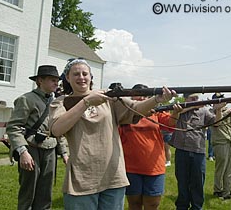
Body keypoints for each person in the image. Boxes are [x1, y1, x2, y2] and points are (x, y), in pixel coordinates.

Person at [49, 59, 176, 210]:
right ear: (68, 78)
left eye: (85, 73)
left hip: (113, 176)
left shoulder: (108, 97)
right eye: (76, 74)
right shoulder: (60, 102)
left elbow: (135, 108)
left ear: (91, 77)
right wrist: (86, 102)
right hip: (81, 178)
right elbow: (57, 129)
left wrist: (157, 99)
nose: (81, 77)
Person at [6, 65, 68, 210]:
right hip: (31, 149)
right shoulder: (26, 99)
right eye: (52, 80)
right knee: (28, 194)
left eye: (57, 80)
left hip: (51, 149)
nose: (56, 83)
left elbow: (57, 129)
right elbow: (13, 127)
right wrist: (23, 152)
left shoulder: (56, 102)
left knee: (46, 194)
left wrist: (64, 152)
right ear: (40, 80)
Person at [119, 84, 182, 210]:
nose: (142, 98)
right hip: (130, 167)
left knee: (153, 205)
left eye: (145, 95)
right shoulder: (124, 114)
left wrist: (176, 112)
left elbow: (170, 125)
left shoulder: (157, 112)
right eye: (138, 94)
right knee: (134, 204)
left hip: (154, 167)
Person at [169, 93, 223, 210]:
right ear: (185, 99)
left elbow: (217, 123)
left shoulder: (204, 111)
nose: (195, 100)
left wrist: (218, 110)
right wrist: (193, 106)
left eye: (196, 98)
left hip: (198, 151)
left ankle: (197, 207)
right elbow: (171, 120)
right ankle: (182, 206)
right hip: (182, 151)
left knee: (198, 183)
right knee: (182, 182)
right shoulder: (179, 108)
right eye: (192, 98)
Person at [210, 93, 231, 200]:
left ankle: (228, 190)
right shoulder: (210, 112)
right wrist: (219, 110)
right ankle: (218, 190)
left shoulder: (228, 111)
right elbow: (217, 123)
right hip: (220, 142)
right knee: (221, 168)